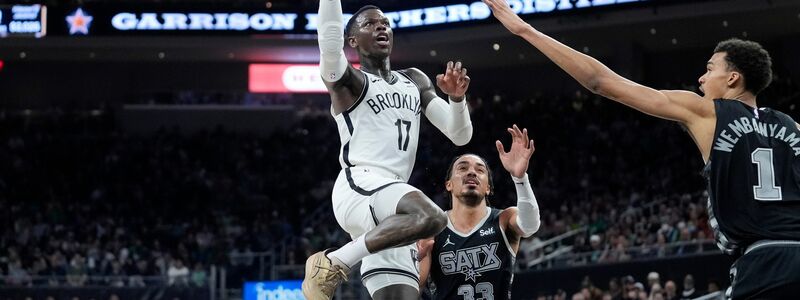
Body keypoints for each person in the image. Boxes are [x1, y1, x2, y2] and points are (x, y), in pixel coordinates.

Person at [482, 0, 800, 298]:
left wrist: (525, 29)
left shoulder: (707, 111)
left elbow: (600, 81)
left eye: (710, 69)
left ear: (733, 78)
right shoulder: (793, 127)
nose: (701, 78)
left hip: (762, 262)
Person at [303, 2, 474, 300]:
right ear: (352, 41)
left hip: (394, 208)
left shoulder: (415, 80)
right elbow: (329, 42)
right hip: (361, 185)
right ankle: (333, 262)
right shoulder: (350, 82)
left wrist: (457, 101)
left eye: (384, 22)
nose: (381, 26)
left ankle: (341, 259)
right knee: (433, 217)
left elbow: (459, 135)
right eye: (369, 24)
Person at [417, 125, 541, 299]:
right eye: (462, 168)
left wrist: (520, 178)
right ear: (449, 184)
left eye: (480, 170)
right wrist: (412, 265)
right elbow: (416, 289)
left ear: (488, 188)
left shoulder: (504, 219)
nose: (472, 172)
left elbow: (530, 226)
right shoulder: (432, 228)